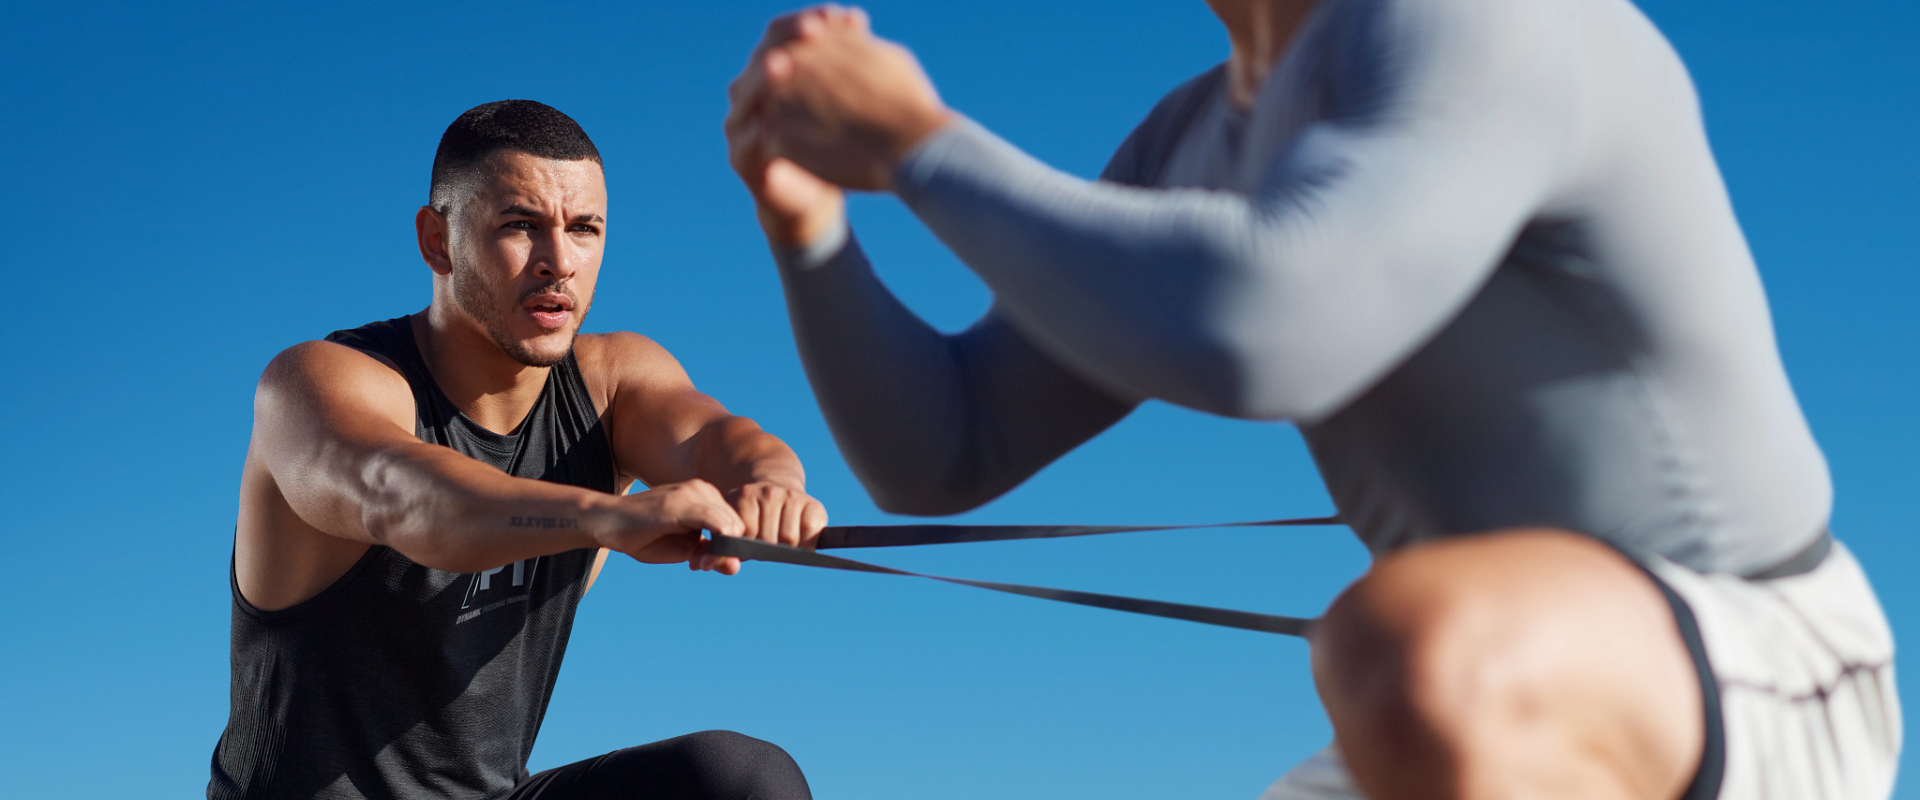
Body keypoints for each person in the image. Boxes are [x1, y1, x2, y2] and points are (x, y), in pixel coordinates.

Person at [724, 3, 1900, 799]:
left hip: (1761, 660)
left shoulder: (1479, 26)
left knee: (1414, 643)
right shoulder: (1195, 133)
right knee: (1418, 652)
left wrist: (919, 144)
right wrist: (810, 227)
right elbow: (947, 446)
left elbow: (1262, 326)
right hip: (1480, 690)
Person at [211, 99, 824, 800]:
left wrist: (771, 483)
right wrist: (602, 518)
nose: (559, 262)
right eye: (520, 226)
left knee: (738, 779)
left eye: (584, 229)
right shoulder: (319, 385)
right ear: (437, 241)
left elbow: (716, 438)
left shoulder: (613, 383)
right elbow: (408, 500)